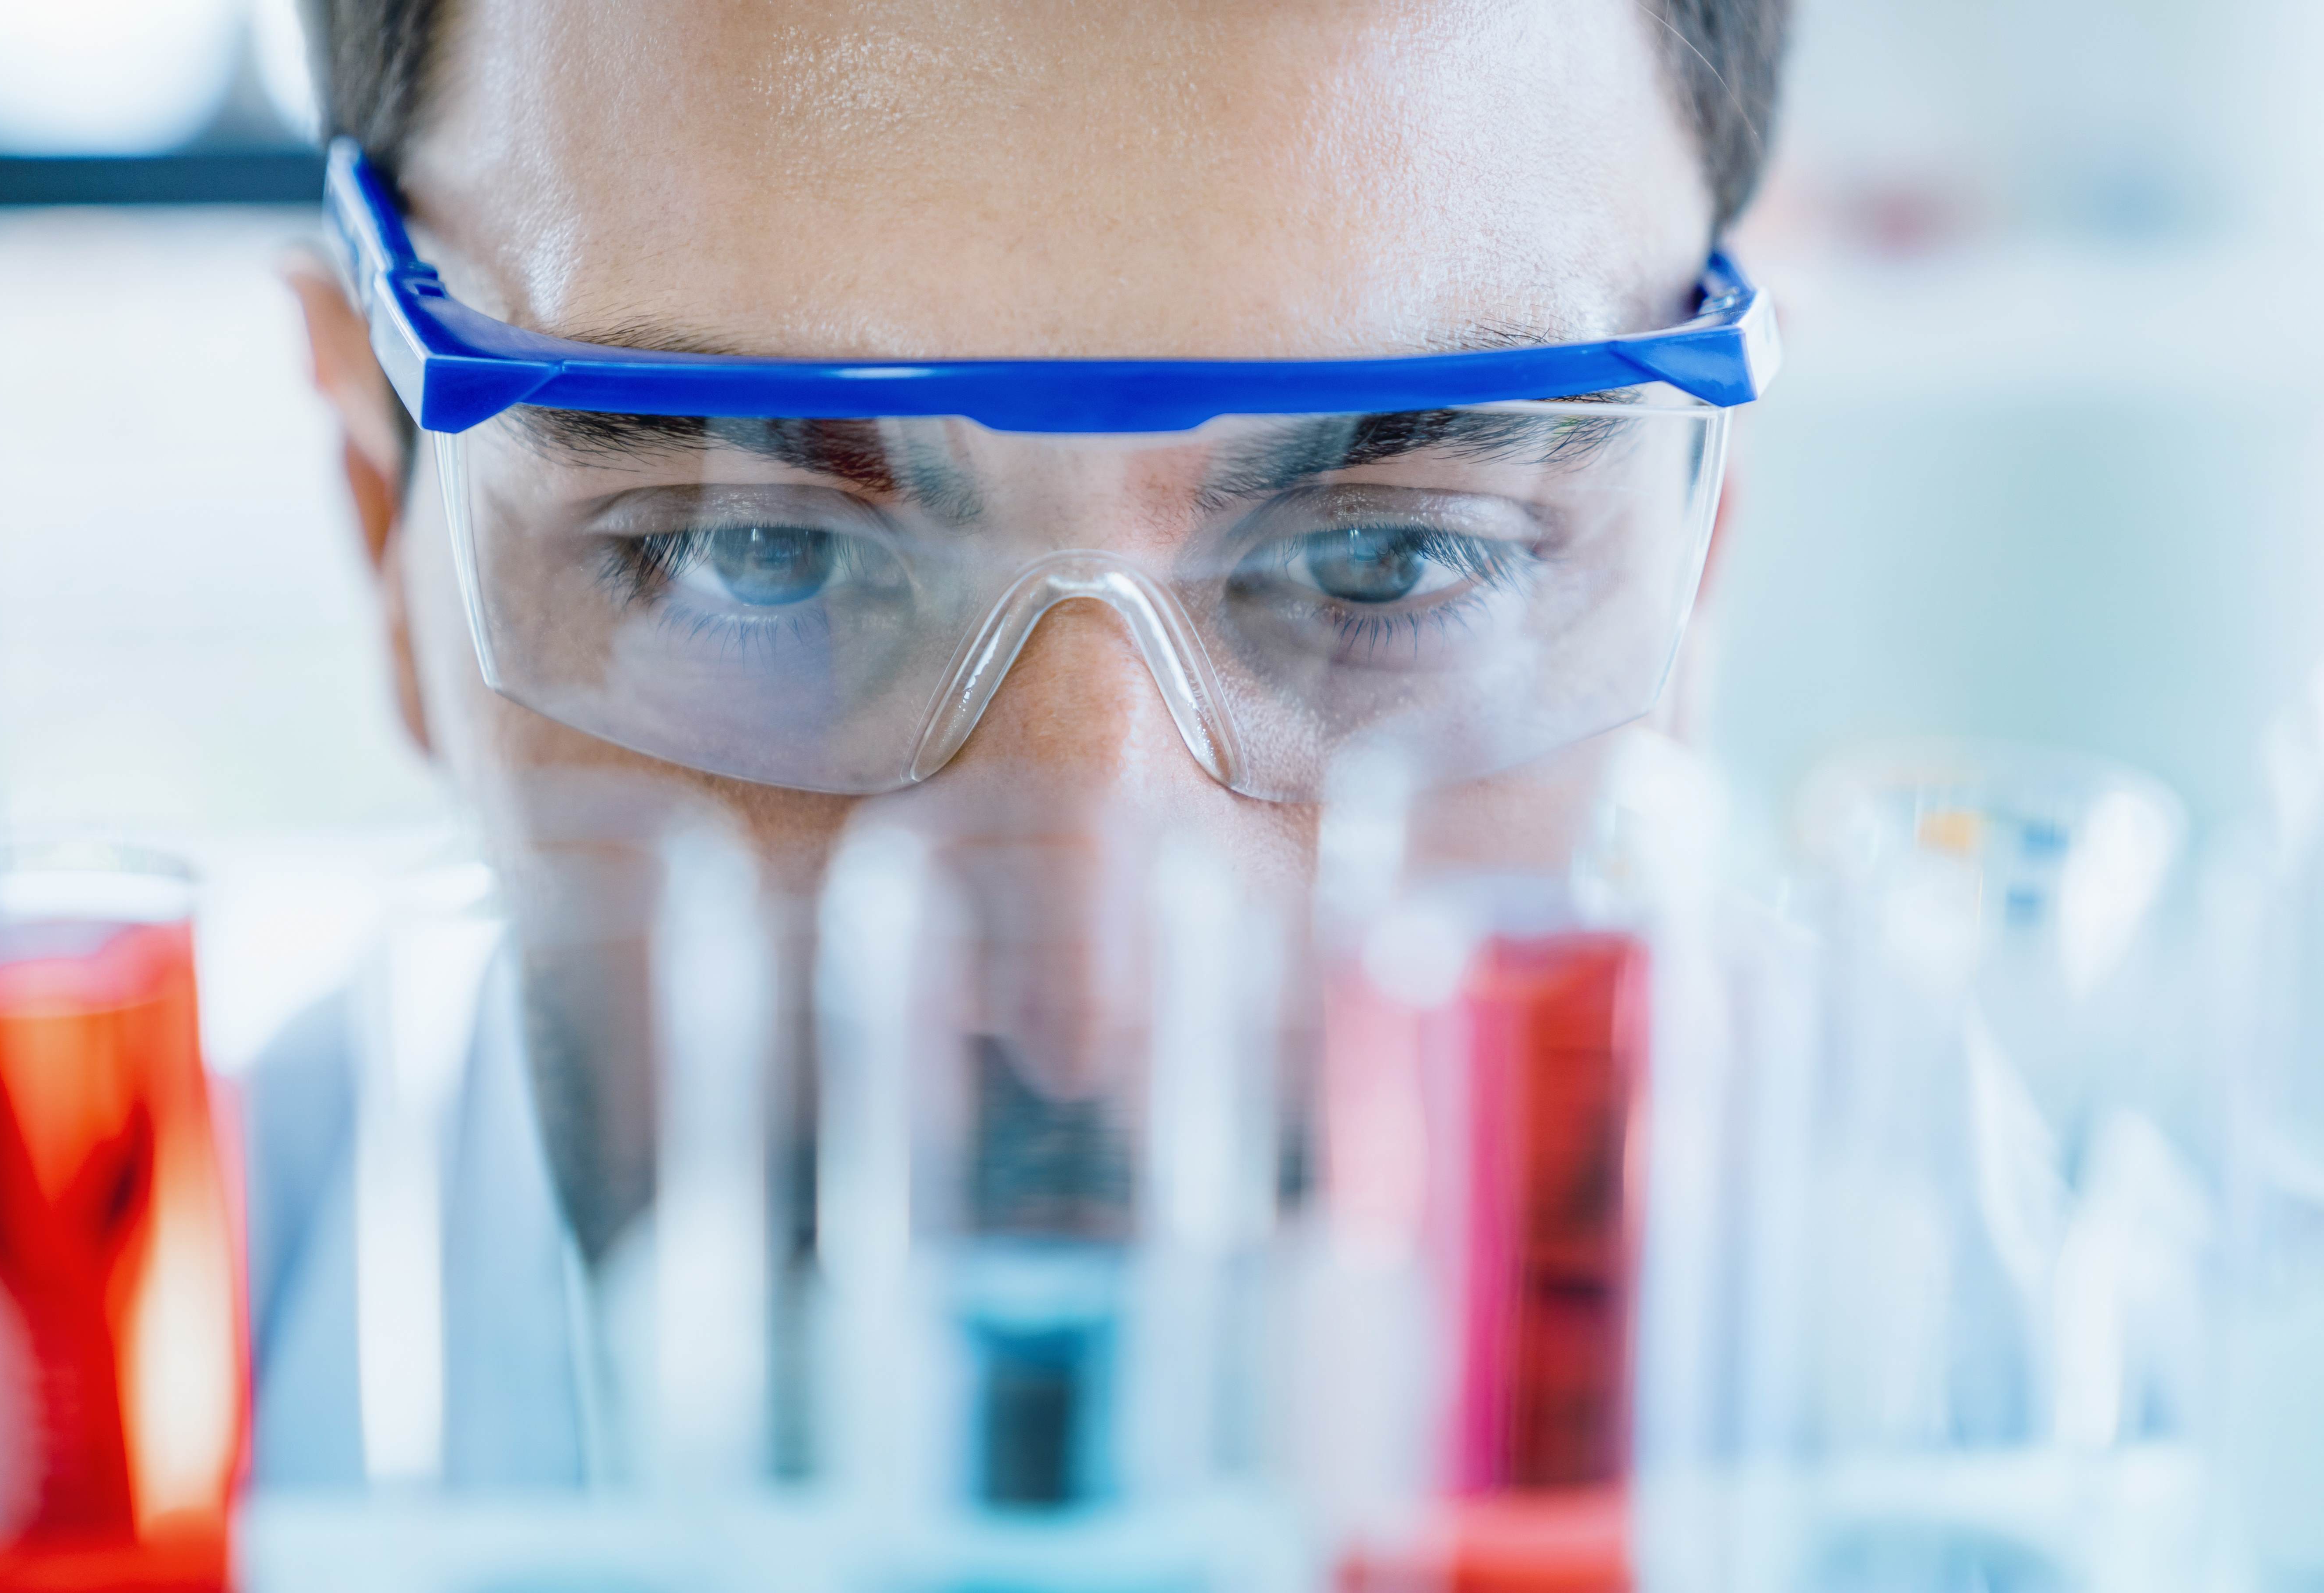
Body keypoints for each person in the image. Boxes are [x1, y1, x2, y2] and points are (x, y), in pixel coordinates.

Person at [252, 0, 1791, 1485]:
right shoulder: (99, 1421)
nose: (1085, 1004)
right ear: (388, 532)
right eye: (753, 555)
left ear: (1699, 564)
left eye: (1384, 562)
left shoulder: (1981, 1395)